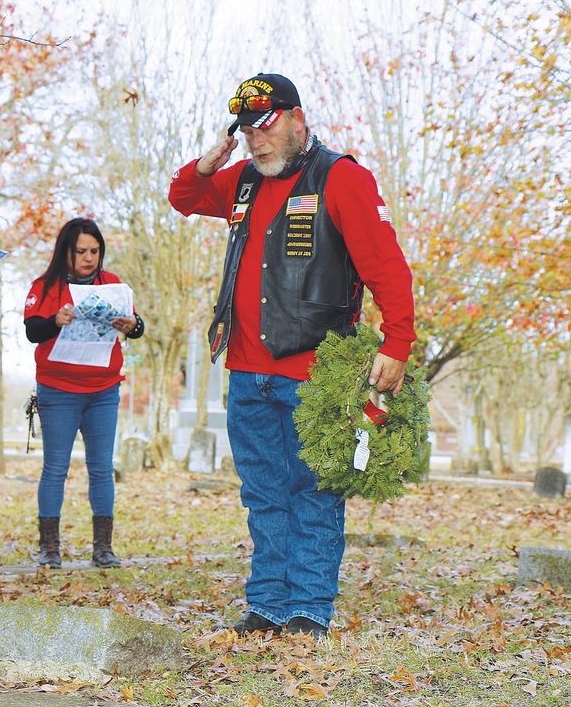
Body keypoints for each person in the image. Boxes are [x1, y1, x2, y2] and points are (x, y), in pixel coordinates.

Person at [167, 73, 416, 637]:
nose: (257, 143)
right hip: (247, 373)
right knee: (263, 496)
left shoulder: (342, 178)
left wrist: (397, 343)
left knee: (315, 493)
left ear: (296, 119)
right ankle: (267, 606)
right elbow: (183, 198)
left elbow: (386, 265)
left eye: (266, 128)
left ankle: (307, 610)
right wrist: (208, 163)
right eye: (247, 134)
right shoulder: (243, 181)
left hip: (314, 372)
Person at [23, 218, 144, 569]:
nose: (89, 258)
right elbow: (32, 330)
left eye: (94, 251)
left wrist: (131, 325)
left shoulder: (113, 285)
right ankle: (49, 548)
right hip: (59, 389)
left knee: (102, 468)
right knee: (55, 467)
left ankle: (103, 548)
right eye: (81, 252)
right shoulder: (46, 286)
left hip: (103, 390)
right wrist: (54, 322)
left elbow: (137, 326)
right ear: (66, 252)